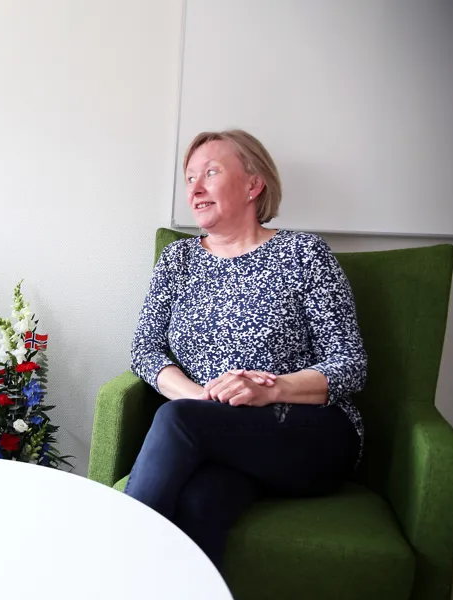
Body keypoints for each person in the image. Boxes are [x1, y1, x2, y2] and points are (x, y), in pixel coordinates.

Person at [126, 129, 366, 569]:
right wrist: (203, 403)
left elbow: (350, 364)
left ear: (254, 185)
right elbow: (145, 350)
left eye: (211, 172)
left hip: (308, 433)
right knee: (199, 505)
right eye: (190, 177)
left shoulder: (303, 253)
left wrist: (272, 390)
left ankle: (108, 569)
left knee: (177, 419)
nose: (195, 188)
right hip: (218, 436)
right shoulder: (178, 261)